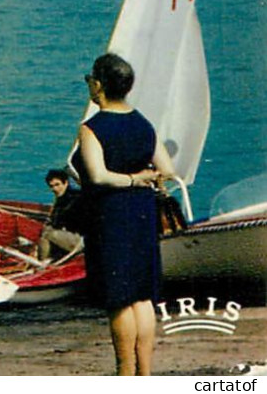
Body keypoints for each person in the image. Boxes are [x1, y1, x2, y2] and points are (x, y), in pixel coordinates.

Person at [74, 52, 175, 376]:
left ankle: (125, 370)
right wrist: (143, 178)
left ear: (99, 86)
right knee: (142, 296)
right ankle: (144, 372)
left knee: (119, 297)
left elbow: (98, 175)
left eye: (90, 79)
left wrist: (130, 179)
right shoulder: (144, 123)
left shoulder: (92, 128)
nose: (89, 84)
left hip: (111, 213)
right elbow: (167, 169)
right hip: (142, 211)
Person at [35, 167, 86, 264]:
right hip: (71, 235)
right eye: (52, 186)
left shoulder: (75, 199)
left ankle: (42, 264)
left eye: (57, 185)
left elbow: (59, 221)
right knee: (46, 232)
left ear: (66, 183)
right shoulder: (61, 198)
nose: (55, 189)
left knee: (47, 234)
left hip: (81, 241)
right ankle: (45, 260)